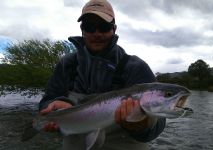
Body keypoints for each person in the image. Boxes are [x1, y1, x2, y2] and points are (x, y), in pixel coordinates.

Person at [39, 0, 166, 149]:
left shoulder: (136, 68)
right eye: (89, 27)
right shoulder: (67, 64)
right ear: (82, 30)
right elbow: (47, 101)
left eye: (104, 27)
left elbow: (157, 126)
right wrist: (53, 108)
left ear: (114, 29)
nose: (97, 33)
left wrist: (143, 125)